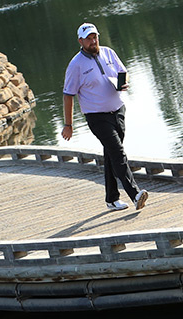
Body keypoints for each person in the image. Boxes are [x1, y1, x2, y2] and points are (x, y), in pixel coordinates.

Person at [62, 22, 148, 211]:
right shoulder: (76, 65)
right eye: (89, 38)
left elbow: (123, 72)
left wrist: (124, 83)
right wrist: (68, 124)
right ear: (81, 41)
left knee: (111, 154)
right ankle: (135, 194)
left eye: (95, 37)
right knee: (118, 152)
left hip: (118, 111)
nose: (93, 41)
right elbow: (68, 95)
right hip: (97, 117)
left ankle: (111, 199)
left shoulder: (109, 52)